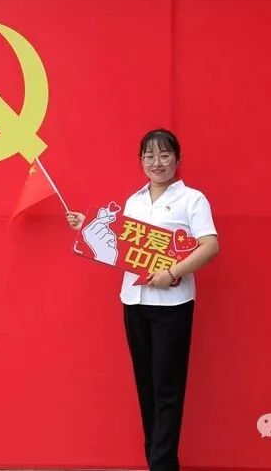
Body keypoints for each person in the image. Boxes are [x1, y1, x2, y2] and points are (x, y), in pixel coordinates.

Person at [66, 128, 219, 471]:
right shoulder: (134, 201)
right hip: (134, 302)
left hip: (172, 304)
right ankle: (157, 461)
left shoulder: (192, 199)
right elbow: (124, 246)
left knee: (167, 388)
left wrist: (173, 272)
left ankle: (162, 466)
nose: (157, 162)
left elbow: (210, 245)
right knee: (146, 386)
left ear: (177, 159)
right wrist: (86, 225)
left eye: (164, 155)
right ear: (140, 161)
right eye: (149, 156)